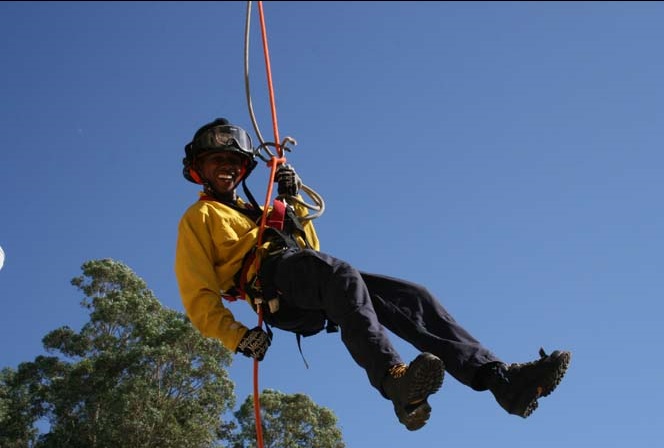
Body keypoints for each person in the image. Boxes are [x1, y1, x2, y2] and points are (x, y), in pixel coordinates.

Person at [174, 118, 572, 431]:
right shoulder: (200, 217)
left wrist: (291, 201)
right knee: (339, 274)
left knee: (411, 297)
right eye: (216, 162)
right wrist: (238, 337)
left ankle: (501, 382)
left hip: (306, 278)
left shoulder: (262, 213)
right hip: (273, 286)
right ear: (200, 171)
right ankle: (393, 379)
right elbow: (197, 293)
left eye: (232, 162)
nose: (225, 168)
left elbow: (308, 250)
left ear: (243, 168)